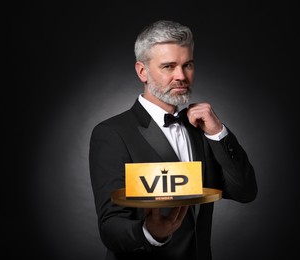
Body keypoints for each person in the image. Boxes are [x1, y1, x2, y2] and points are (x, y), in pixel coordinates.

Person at [89, 20, 257, 260]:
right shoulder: (111, 134)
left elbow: (245, 191)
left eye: (187, 65)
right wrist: (150, 233)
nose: (181, 76)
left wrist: (218, 133)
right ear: (142, 71)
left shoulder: (203, 130)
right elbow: (110, 226)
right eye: (168, 66)